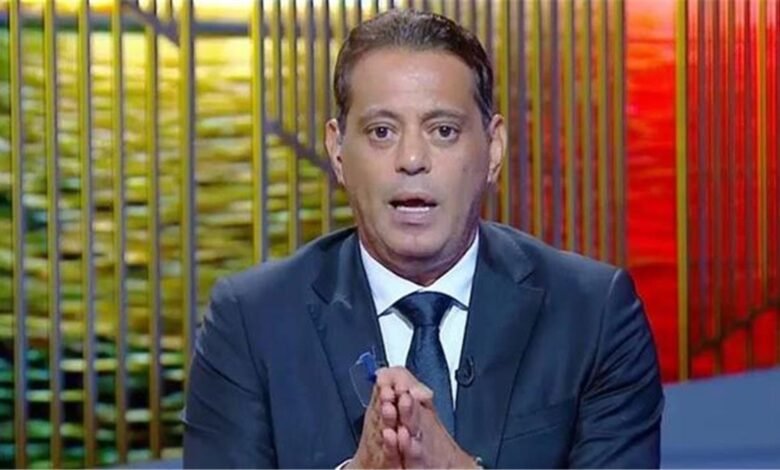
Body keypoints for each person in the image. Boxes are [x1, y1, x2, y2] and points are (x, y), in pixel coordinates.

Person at [182, 8, 663, 469]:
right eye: (382, 131)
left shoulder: (593, 315)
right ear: (338, 151)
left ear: (493, 148)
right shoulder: (250, 322)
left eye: (444, 130)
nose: (412, 159)